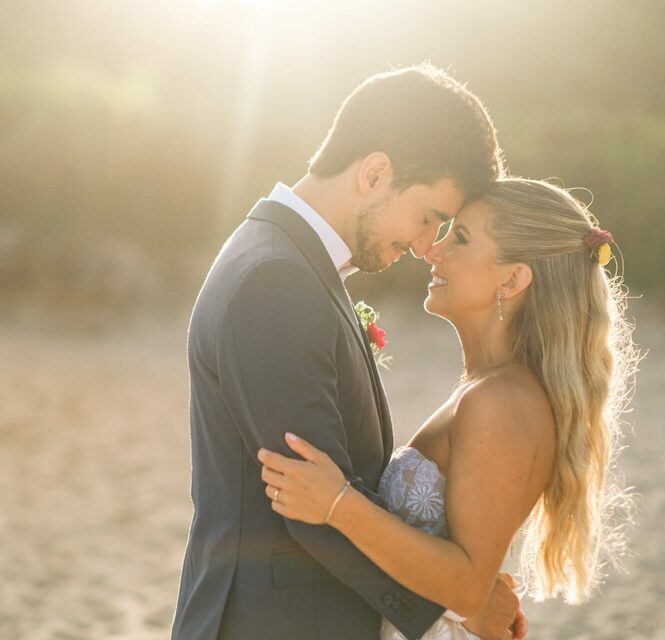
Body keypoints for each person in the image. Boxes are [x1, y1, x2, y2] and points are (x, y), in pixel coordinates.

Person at [171, 64, 528, 640]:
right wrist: (454, 604)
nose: (422, 246)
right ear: (375, 173)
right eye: (429, 218)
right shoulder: (276, 281)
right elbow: (308, 502)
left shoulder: (282, 258)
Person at [258, 178, 639, 640]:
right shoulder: (488, 388)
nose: (432, 252)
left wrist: (338, 504)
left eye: (460, 238)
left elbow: (466, 586)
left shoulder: (499, 402)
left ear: (513, 278)